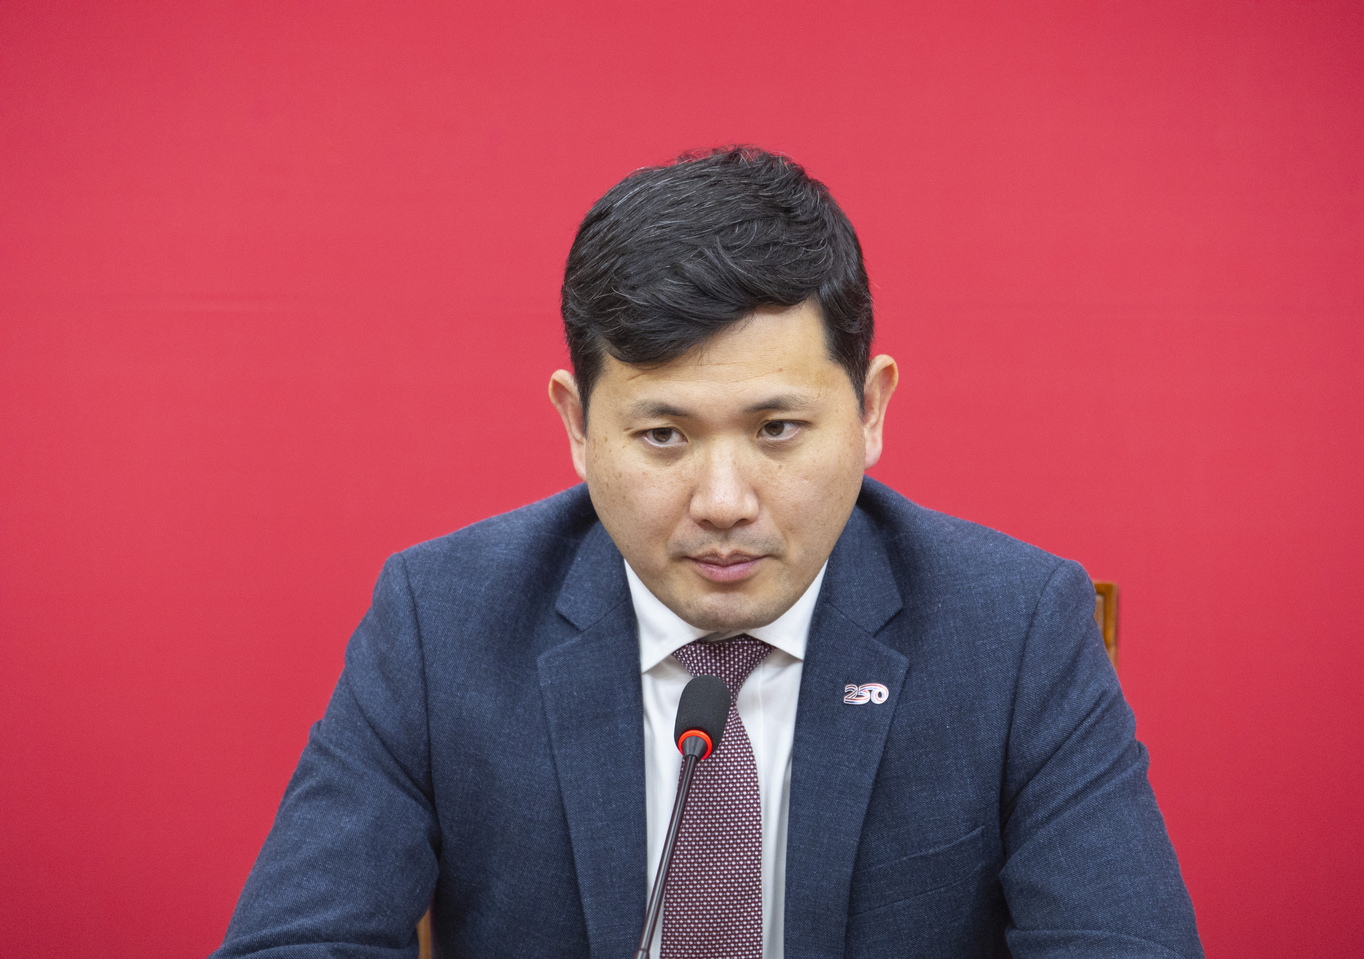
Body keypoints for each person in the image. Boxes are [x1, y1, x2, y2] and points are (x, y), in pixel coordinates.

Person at [215, 147, 1202, 958]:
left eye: (776, 428)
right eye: (662, 437)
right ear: (576, 423)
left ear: (868, 411)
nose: (722, 503)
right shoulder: (440, 620)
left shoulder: (1014, 629)